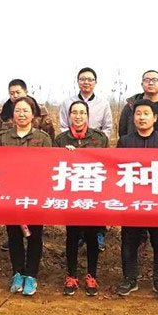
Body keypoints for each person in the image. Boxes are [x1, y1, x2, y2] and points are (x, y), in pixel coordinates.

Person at [116, 99, 158, 300]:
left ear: (155, 117)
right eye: (138, 113)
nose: (142, 117)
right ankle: (130, 279)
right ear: (133, 118)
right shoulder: (124, 142)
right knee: (129, 241)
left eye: (146, 114)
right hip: (132, 201)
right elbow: (116, 170)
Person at [0, 96, 53, 296]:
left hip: (35, 195)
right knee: (14, 236)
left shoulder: (43, 138)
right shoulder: (3, 138)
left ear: (33, 114)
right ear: (12, 114)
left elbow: (49, 166)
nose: (21, 114)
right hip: (11, 194)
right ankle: (17, 273)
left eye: (26, 110)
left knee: (35, 237)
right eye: (18, 110)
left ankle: (31, 275)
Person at [54, 100, 109, 296]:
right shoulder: (61, 140)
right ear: (69, 116)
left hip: (93, 194)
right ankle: (71, 275)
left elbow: (107, 163)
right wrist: (65, 155)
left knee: (92, 236)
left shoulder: (99, 138)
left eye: (82, 113)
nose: (78, 116)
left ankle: (91, 275)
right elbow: (54, 165)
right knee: (72, 235)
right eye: (74, 113)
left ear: (87, 115)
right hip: (70, 195)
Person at [58, 67, 113, 251]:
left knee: (96, 195)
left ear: (95, 82)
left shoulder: (103, 103)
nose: (86, 82)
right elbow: (63, 126)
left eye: (90, 79)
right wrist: (73, 145)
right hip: (72, 151)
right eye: (83, 79)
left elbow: (108, 128)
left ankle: (99, 234)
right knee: (75, 195)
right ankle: (78, 236)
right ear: (78, 81)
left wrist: (94, 146)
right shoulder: (67, 102)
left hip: (95, 152)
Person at [118, 69, 158, 147]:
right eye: (147, 80)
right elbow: (122, 129)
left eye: (155, 80)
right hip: (134, 148)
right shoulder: (131, 105)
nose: (151, 83)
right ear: (142, 84)